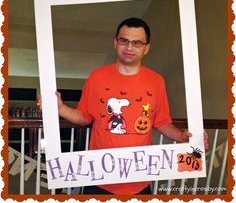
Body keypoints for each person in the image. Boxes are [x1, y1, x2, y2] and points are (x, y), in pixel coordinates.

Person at [37, 17, 208, 195]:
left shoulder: (156, 81)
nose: (129, 47)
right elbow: (83, 116)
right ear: (115, 43)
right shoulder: (96, 77)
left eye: (137, 42)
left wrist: (183, 137)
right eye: (124, 40)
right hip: (99, 178)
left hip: (139, 179)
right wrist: (60, 108)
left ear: (146, 48)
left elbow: (162, 122)